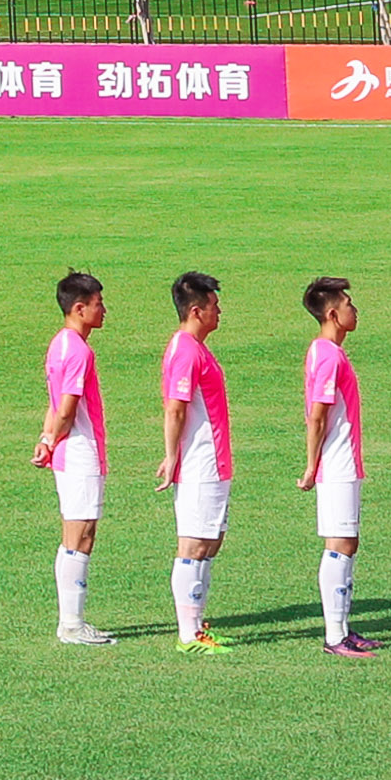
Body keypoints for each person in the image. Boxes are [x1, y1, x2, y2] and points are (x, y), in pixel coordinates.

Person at [295, 276, 380, 657]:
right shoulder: (328, 355)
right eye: (348, 304)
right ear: (332, 314)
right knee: (340, 544)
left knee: (346, 542)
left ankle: (342, 627)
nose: (355, 310)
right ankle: (334, 636)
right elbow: (317, 416)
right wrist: (312, 465)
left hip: (341, 462)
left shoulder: (326, 352)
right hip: (336, 463)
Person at [34, 271, 112, 646]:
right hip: (79, 451)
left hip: (68, 451)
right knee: (79, 536)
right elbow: (66, 407)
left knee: (76, 534)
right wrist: (53, 437)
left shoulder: (58, 345)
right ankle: (71, 624)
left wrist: (46, 439)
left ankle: (71, 622)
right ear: (79, 308)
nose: (104, 311)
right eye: (98, 304)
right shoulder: (79, 351)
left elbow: (54, 404)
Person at [161, 272, 236, 654]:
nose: (219, 312)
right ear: (196, 311)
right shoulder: (186, 351)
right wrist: (172, 456)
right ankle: (188, 635)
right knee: (193, 544)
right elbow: (175, 408)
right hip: (199, 464)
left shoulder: (197, 349)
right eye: (214, 306)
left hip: (214, 462)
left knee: (210, 542)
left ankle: (197, 624)